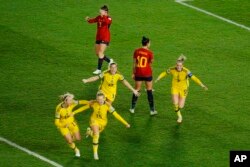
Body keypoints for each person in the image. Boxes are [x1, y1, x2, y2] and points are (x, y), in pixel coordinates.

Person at [74, 91, 130, 160]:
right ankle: (95, 153)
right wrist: (74, 112)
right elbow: (84, 107)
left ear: (104, 99)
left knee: (95, 135)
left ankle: (90, 132)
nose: (99, 101)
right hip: (94, 120)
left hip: (103, 123)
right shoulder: (94, 103)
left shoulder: (108, 105)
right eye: (98, 99)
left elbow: (116, 115)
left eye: (101, 99)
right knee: (97, 135)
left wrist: (125, 123)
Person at [155, 55, 208, 123]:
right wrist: (158, 78)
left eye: (180, 65)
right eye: (177, 65)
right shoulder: (172, 69)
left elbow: (194, 78)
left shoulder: (186, 71)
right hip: (175, 87)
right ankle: (179, 116)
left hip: (184, 88)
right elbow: (164, 73)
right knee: (175, 103)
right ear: (176, 65)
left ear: (182, 65)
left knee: (181, 106)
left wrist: (202, 85)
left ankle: (186, 80)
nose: (179, 67)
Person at [54, 93, 89, 157]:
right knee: (69, 141)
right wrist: (63, 125)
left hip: (72, 123)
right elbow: (56, 122)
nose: (71, 101)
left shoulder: (72, 103)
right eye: (69, 100)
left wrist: (89, 102)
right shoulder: (59, 109)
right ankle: (76, 150)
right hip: (62, 125)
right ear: (65, 101)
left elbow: (80, 102)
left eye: (71, 100)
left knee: (78, 139)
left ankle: (87, 132)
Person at [130, 36, 157, 116]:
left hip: (138, 73)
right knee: (149, 91)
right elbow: (151, 62)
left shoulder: (136, 51)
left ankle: (132, 108)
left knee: (137, 90)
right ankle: (152, 110)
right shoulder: (150, 53)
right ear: (147, 43)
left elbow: (134, 63)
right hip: (147, 73)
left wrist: (133, 73)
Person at [85, 5, 114, 74]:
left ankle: (99, 69)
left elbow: (107, 22)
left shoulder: (109, 18)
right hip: (98, 37)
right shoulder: (99, 17)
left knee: (101, 52)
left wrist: (103, 16)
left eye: (101, 11)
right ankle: (109, 60)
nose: (100, 12)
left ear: (105, 12)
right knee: (97, 53)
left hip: (105, 37)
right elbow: (93, 20)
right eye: (100, 11)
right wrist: (88, 19)